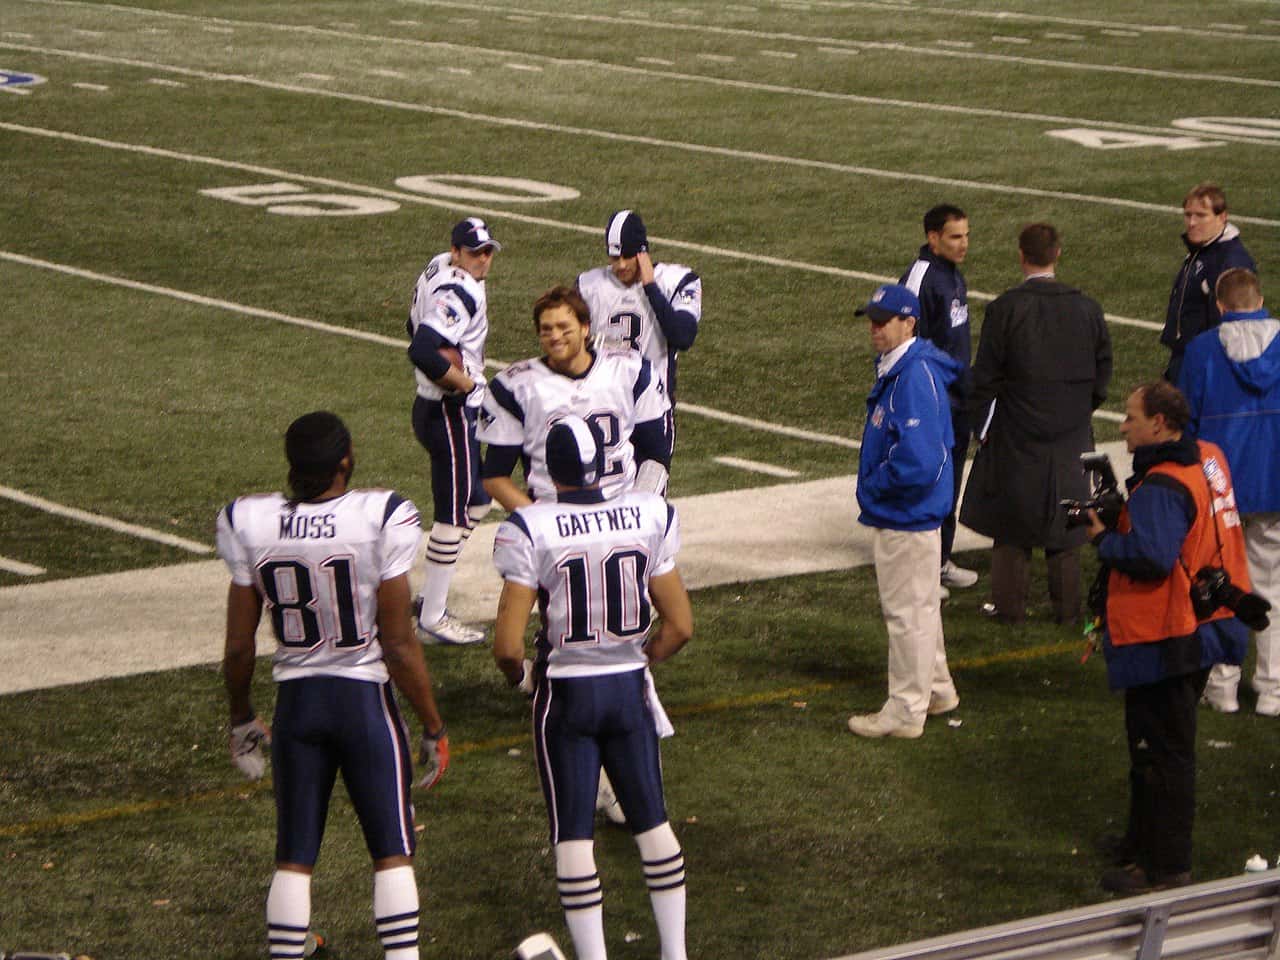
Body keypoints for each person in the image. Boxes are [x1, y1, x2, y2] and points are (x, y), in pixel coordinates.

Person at [218, 411, 450, 960]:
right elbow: (397, 644)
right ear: (344, 459)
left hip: (298, 706)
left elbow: (238, 647)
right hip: (363, 701)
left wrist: (241, 717)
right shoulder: (380, 515)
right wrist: (433, 724)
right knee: (392, 851)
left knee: (294, 854)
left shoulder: (250, 521)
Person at [491, 416, 693, 960]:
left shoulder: (531, 526)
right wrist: (639, 658)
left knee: (574, 838)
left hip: (569, 695)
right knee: (654, 826)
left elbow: (508, 646)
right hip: (628, 688)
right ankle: (675, 954)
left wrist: (523, 679)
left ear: (549, 470)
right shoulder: (647, 513)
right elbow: (680, 626)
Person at [1085, 382, 1250, 894]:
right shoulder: (1207, 456)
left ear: (1159, 424)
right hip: (1206, 620)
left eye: (1132, 417)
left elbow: (1152, 556)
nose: (1123, 425)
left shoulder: (1164, 484)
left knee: (1163, 754)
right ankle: (1141, 845)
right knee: (1155, 750)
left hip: (1170, 632)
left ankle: (1167, 867)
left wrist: (1103, 537)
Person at [959, 223, 1112, 624]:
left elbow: (985, 377)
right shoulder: (1088, 308)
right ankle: (1068, 609)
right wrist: (1076, 412)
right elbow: (1102, 376)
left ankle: (1009, 608)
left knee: (1012, 523)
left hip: (1017, 431)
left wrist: (984, 427)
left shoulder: (1005, 309)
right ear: (1058, 253)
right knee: (1068, 519)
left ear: (1021, 255)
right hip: (1071, 431)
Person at [848, 284, 961, 740]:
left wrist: (876, 486)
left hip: (906, 514)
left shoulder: (913, 377)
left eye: (884, 320)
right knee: (921, 608)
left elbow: (920, 459)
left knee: (907, 615)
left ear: (909, 323)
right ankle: (936, 690)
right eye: (872, 320)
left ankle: (905, 710)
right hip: (909, 514)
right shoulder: (906, 369)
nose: (875, 329)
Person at [1178, 268, 1280, 715]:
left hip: (1221, 487)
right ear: (1260, 299)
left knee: (1221, 585)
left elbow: (1187, 423)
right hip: (1275, 482)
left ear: (1220, 305)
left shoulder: (1202, 350)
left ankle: (1222, 687)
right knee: (1272, 584)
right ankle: (1272, 690)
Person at [478, 284, 671, 511]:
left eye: (563, 327)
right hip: (554, 515)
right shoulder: (516, 387)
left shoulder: (630, 372)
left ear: (585, 328)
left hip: (621, 511)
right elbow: (495, 477)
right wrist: (538, 523)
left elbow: (655, 456)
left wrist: (638, 513)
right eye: (546, 329)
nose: (555, 336)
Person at [406, 217, 502, 645]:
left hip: (432, 408)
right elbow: (423, 346)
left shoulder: (437, 267)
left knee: (478, 498)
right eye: (475, 252)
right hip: (448, 410)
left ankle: (430, 593)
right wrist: (463, 382)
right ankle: (432, 616)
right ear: (456, 250)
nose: (483, 260)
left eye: (488, 252)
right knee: (453, 511)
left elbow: (414, 326)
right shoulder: (459, 290)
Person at [577, 209, 702, 468]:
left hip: (653, 407)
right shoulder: (588, 285)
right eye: (614, 257)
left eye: (628, 256)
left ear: (643, 252)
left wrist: (650, 287)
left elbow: (683, 335)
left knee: (651, 495)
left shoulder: (677, 281)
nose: (620, 265)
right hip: (603, 405)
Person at [899, 203, 979, 593]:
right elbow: (904, 342)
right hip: (933, 403)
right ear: (933, 238)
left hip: (957, 400)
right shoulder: (923, 277)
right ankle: (921, 570)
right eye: (955, 236)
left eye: (966, 235)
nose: (963, 243)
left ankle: (940, 560)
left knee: (949, 485)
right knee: (930, 486)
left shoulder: (951, 274)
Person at [1161, 182, 1256, 383]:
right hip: (1188, 356)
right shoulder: (1203, 250)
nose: (1192, 222)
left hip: (1207, 365)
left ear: (1222, 217)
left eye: (1201, 215)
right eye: (1188, 215)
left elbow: (1237, 325)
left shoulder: (1230, 262)